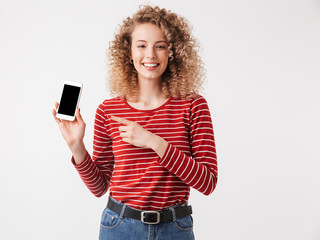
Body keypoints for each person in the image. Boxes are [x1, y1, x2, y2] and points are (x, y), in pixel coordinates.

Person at [52, 5, 217, 240]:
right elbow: (99, 187)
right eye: (141, 46)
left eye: (160, 46)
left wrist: (154, 142)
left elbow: (207, 182)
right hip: (119, 227)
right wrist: (76, 146)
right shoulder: (108, 110)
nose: (150, 55)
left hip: (174, 229)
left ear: (172, 52)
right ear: (128, 53)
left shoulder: (193, 106)